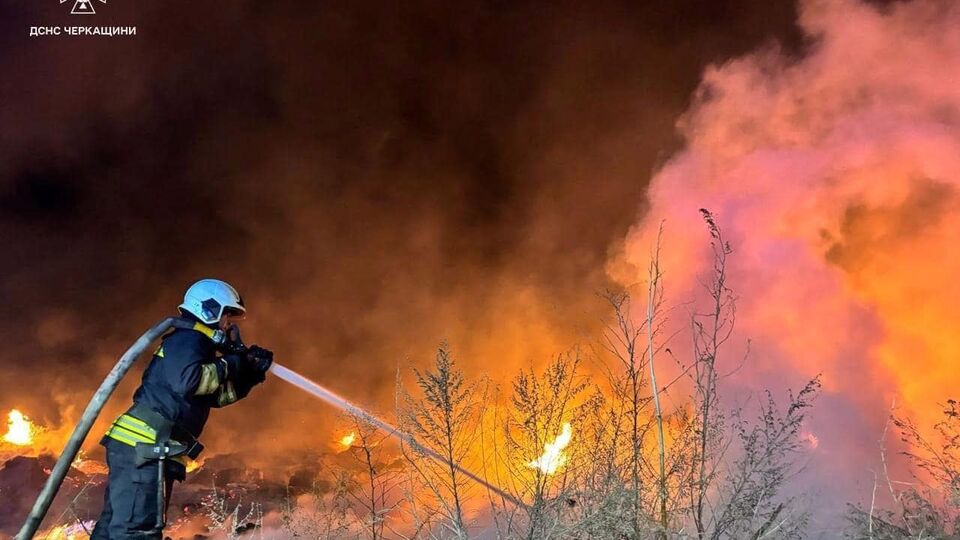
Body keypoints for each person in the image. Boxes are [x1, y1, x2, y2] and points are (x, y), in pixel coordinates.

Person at [90, 279, 273, 539]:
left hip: (145, 449)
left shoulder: (197, 347)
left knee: (115, 530)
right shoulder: (189, 339)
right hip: (145, 447)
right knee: (136, 533)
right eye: (226, 317)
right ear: (208, 310)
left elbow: (215, 396)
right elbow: (190, 380)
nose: (228, 325)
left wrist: (249, 374)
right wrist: (233, 361)